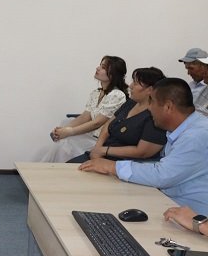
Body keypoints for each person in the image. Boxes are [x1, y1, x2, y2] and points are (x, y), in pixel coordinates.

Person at [79, 78, 208, 215]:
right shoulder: (185, 128)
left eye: (152, 102)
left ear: (168, 107)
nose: (149, 108)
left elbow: (163, 175)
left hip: (193, 215)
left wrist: (112, 166)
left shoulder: (196, 136)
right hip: (171, 203)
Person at [67, 67, 166, 163]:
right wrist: (98, 148)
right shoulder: (131, 103)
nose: (130, 86)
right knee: (65, 167)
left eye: (135, 83)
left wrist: (104, 151)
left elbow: (142, 152)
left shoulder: (156, 116)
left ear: (150, 90)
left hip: (123, 163)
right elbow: (107, 126)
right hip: (102, 153)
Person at [42, 56, 128, 162]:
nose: (97, 68)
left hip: (101, 141)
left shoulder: (117, 95)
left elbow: (97, 123)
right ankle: (51, 168)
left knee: (65, 142)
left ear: (113, 74)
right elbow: (85, 117)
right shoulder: (96, 93)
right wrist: (62, 129)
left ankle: (53, 168)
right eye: (100, 65)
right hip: (91, 135)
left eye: (103, 67)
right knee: (65, 126)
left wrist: (70, 131)